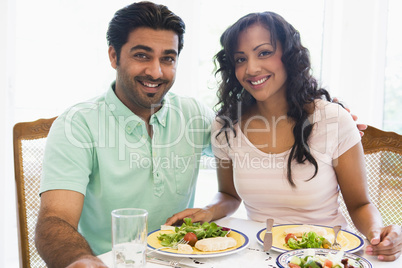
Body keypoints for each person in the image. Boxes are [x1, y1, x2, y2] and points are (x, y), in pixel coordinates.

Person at [165, 11, 402, 261]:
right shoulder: (226, 126)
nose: (252, 68)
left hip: (324, 256)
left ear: (289, 56)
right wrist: (207, 210)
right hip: (258, 255)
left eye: (264, 52)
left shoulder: (333, 120)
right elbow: (230, 195)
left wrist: (378, 232)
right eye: (240, 59)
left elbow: (359, 204)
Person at [35, 2, 214, 267]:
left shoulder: (195, 114)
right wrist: (81, 260)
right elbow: (55, 220)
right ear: (114, 56)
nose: (156, 71)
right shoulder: (77, 124)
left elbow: (248, 153)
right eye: (142, 55)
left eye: (168, 58)